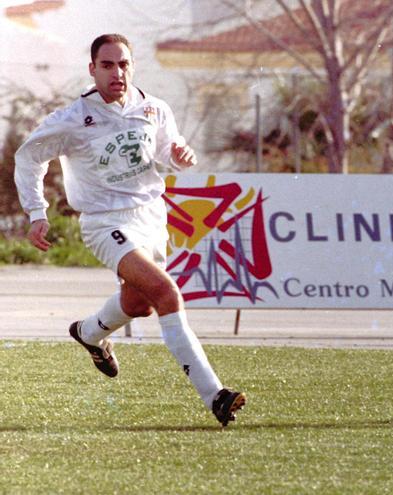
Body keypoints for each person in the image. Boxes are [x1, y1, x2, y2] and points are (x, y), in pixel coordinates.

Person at [14, 33, 245, 427]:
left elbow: (166, 152)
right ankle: (215, 395)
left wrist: (179, 155)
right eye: (107, 65)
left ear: (132, 67)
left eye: (123, 64)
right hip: (105, 222)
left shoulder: (154, 108)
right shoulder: (73, 119)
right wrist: (37, 212)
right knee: (165, 292)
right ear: (92, 70)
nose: (116, 73)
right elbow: (28, 157)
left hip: (151, 217)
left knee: (139, 304)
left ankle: (89, 333)